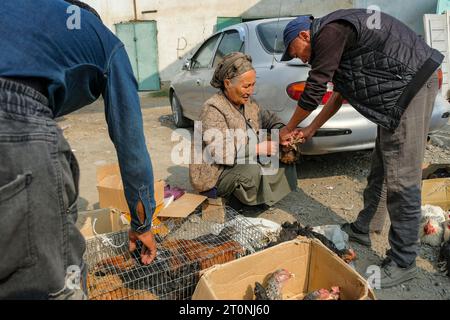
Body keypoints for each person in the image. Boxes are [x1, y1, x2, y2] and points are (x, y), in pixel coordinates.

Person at [0, 0, 157, 299]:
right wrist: (142, 224)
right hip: (14, 121)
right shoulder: (104, 40)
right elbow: (132, 147)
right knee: (56, 284)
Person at [279, 9, 444, 288]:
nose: (300, 59)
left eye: (297, 52)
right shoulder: (336, 40)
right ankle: (364, 228)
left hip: (410, 90)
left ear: (305, 35)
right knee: (382, 164)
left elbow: (316, 88)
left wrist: (288, 127)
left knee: (402, 178)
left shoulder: (330, 31)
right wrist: (310, 129)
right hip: (395, 95)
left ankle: (404, 261)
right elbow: (339, 93)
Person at [189, 52, 298, 209]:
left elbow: (270, 119)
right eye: (246, 86)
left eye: (253, 85)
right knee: (251, 170)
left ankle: (260, 197)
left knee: (286, 152)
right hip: (217, 172)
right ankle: (237, 203)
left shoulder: (249, 103)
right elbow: (221, 153)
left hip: (245, 158)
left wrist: (282, 133)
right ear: (227, 83)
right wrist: (258, 149)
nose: (250, 91)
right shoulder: (212, 108)